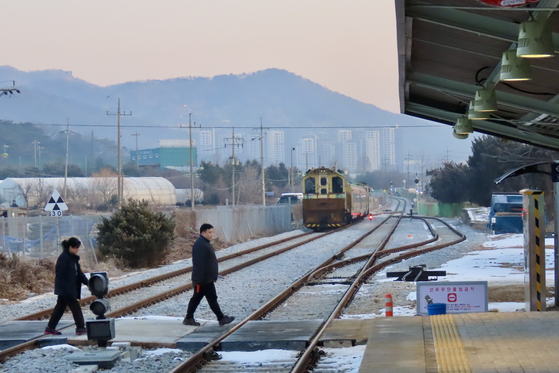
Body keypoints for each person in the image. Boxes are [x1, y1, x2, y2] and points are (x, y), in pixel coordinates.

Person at [183, 223, 234, 327]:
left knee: (202, 298)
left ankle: (189, 318)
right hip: (203, 279)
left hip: (206, 278)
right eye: (209, 232)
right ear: (203, 232)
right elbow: (199, 263)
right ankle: (220, 318)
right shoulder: (200, 245)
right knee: (208, 298)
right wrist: (198, 280)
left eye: (212, 232)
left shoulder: (204, 243)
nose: (211, 234)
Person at [44, 237, 89, 335]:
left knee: (60, 308)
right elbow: (60, 275)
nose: (77, 250)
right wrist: (66, 288)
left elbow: (79, 273)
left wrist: (88, 283)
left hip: (68, 288)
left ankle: (50, 328)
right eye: (76, 247)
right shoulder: (63, 258)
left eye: (78, 247)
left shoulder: (73, 258)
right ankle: (80, 328)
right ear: (70, 247)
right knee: (75, 307)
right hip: (66, 289)